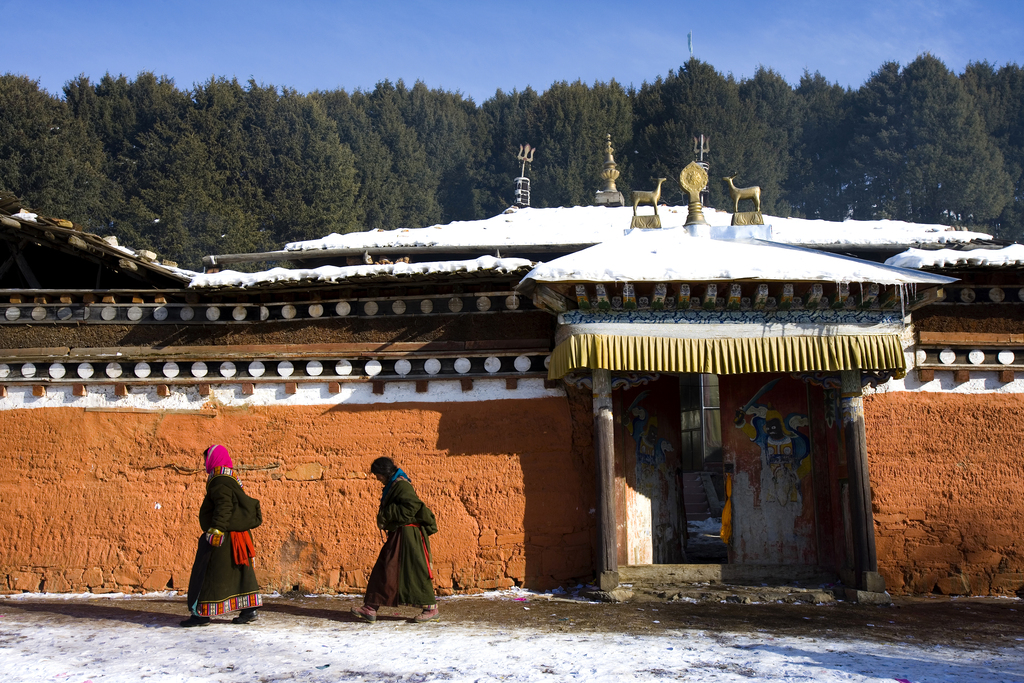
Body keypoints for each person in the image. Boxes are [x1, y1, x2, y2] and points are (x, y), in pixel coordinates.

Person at [180, 444, 263, 627]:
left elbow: (224, 505)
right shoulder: (230, 478)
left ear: (213, 459)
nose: (204, 464)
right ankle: (249, 610)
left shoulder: (219, 480)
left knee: (206, 573)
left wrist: (216, 530)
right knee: (241, 573)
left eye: (205, 460)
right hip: (236, 536)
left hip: (223, 537)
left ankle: (200, 615)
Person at [352, 457, 439, 623]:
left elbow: (413, 506)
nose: (377, 478)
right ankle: (370, 607)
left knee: (414, 569)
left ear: (384, 472)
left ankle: (431, 608)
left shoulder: (401, 485)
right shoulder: (393, 484)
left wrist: (389, 514)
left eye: (378, 475)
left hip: (408, 535)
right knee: (385, 568)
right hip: (400, 533)